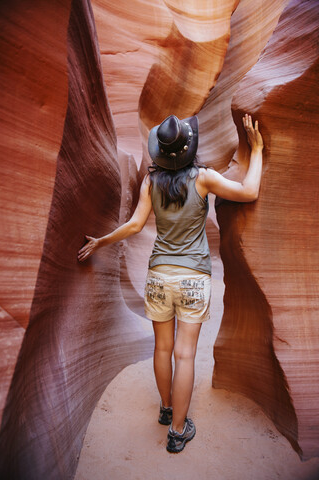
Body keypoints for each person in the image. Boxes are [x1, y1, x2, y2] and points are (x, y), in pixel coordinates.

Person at [77, 113, 263, 453]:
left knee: (162, 349)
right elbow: (249, 191)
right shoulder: (203, 179)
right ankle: (178, 432)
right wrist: (258, 149)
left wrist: (101, 241)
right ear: (188, 149)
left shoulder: (151, 182)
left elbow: (134, 225)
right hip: (193, 277)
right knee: (186, 355)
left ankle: (166, 410)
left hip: (159, 276)